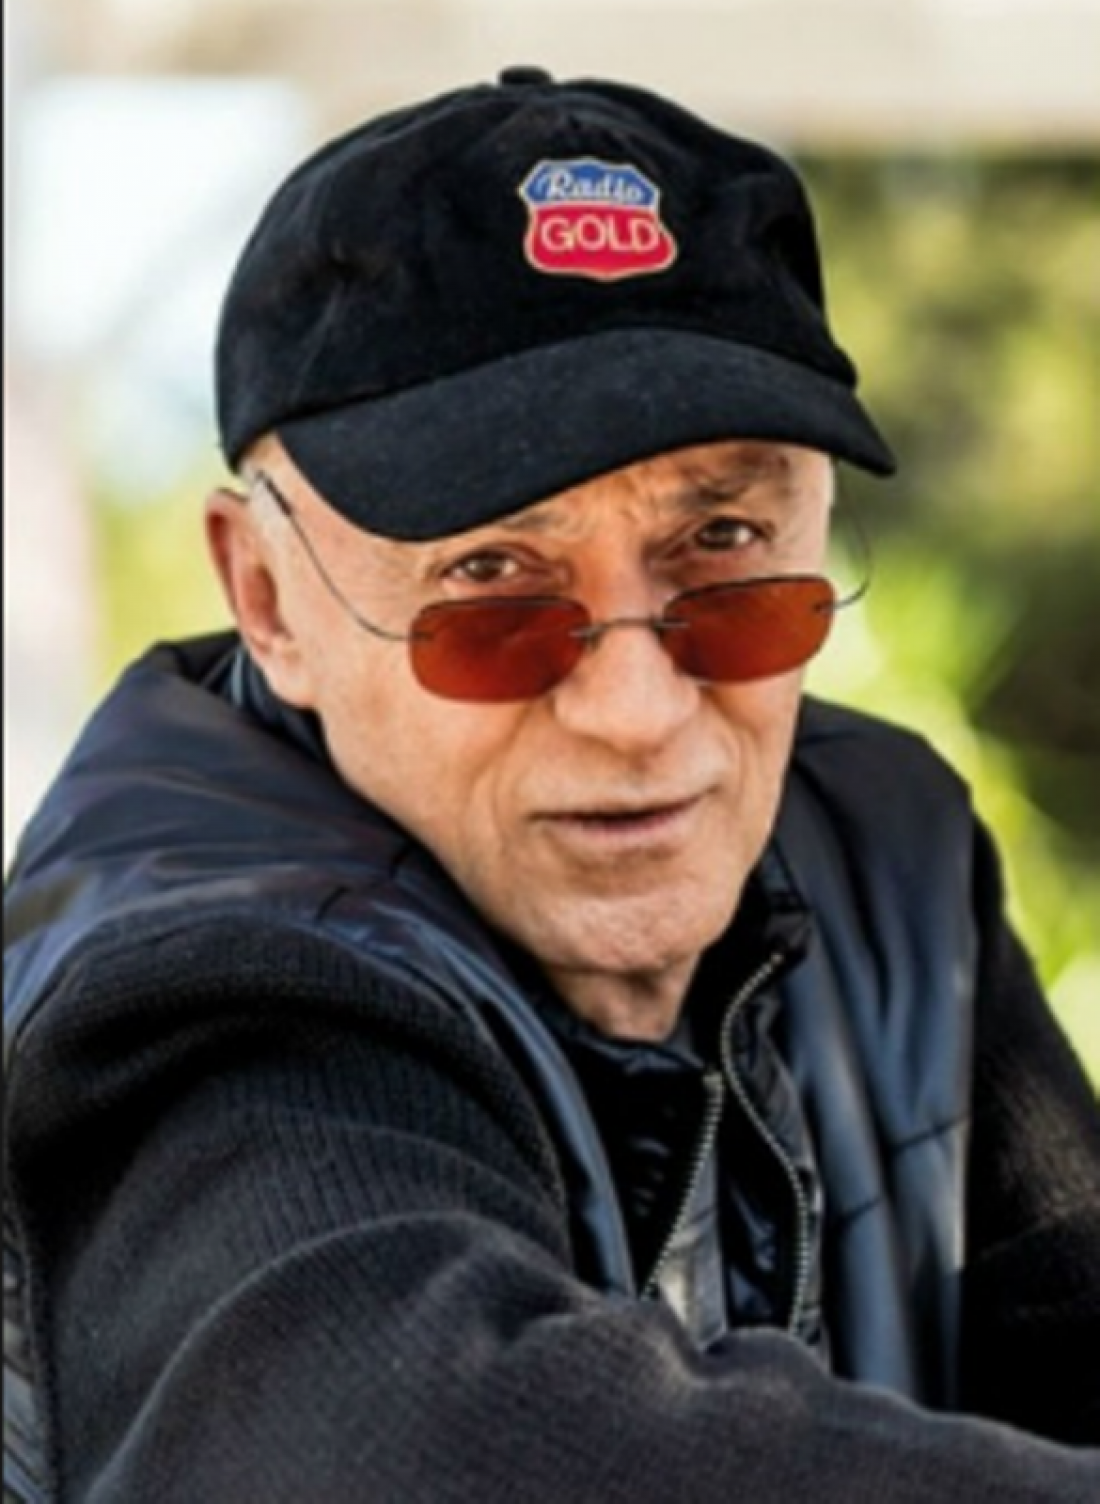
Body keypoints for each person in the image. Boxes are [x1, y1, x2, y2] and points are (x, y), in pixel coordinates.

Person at [4, 65, 1098, 1504]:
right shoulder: (198, 981)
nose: (637, 710)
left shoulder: (882, 849)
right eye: (492, 582)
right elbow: (426, 1451)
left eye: (725, 545)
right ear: (268, 597)